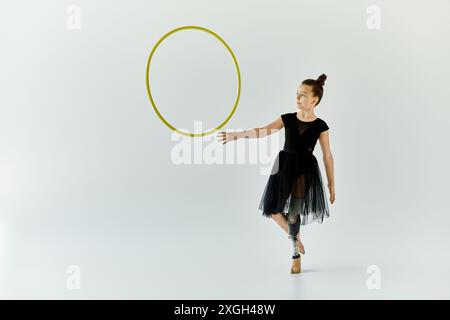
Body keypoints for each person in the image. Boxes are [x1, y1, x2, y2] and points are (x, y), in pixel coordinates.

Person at [217, 74, 335, 274]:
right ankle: (295, 238)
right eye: (297, 93)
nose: (298, 97)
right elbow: (263, 131)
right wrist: (237, 135)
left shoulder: (321, 126)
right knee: (273, 209)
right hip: (284, 166)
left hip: (305, 171)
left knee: (293, 215)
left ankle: (295, 255)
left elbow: (327, 155)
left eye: (303, 95)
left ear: (314, 100)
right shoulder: (286, 119)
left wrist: (332, 184)